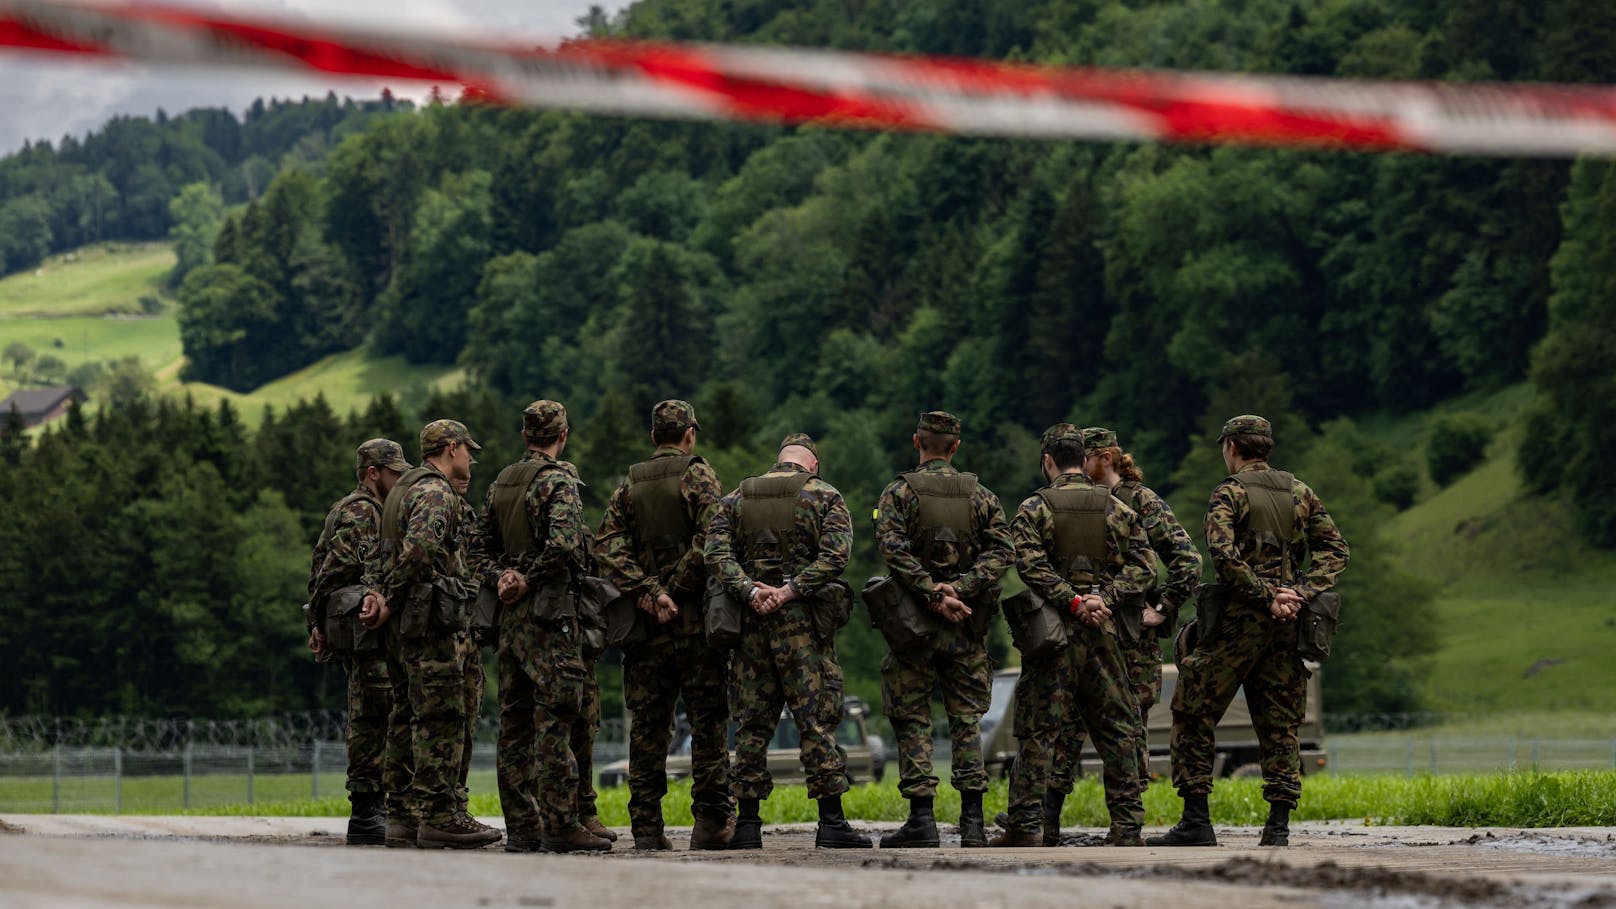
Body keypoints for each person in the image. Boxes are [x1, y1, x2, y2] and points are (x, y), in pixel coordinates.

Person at [1151, 415, 1349, 848]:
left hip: (1237, 620)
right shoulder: (1299, 491)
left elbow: (1220, 554)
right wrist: (1296, 593)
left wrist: (1264, 595)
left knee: (1192, 711)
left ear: (1232, 448)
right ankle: (1277, 827)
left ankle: (1196, 821)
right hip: (1287, 624)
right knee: (1280, 723)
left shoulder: (1231, 492)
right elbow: (1335, 550)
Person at [705, 432, 869, 850]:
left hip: (751, 627)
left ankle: (747, 826)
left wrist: (750, 591)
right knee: (816, 720)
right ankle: (831, 823)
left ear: (779, 461)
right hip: (803, 628)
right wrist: (789, 590)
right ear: (812, 463)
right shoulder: (825, 495)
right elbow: (835, 557)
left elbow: (716, 556)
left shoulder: (736, 498)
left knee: (752, 724)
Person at [1040, 427, 1202, 844]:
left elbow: (1187, 560)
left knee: (1127, 729)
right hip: (1079, 633)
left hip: (1130, 642)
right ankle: (1047, 820)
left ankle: (1128, 824)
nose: (1078, 466)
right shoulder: (1077, 503)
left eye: (1087, 457)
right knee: (1065, 725)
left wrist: (1161, 609)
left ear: (1106, 458)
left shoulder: (1140, 501)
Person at [996, 423, 1154, 848]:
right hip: (1104, 635)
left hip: (1053, 636)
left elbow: (1029, 566)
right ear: (1084, 461)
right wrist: (1103, 598)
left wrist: (1072, 601)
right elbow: (1145, 567)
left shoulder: (1034, 508)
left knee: (1039, 731)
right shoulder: (1118, 509)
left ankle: (1027, 827)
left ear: (1048, 461)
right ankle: (1127, 828)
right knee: (1118, 729)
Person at [593, 400, 733, 851]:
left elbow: (608, 546)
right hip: (694, 624)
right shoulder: (698, 473)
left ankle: (646, 829)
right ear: (689, 434)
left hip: (646, 628)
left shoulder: (629, 483)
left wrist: (649, 593)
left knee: (648, 728)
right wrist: (673, 589)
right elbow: (714, 538)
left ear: (654, 437)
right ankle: (711, 822)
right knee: (708, 723)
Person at [875, 412, 1014, 849]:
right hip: (965, 626)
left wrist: (931, 591)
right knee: (966, 720)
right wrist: (961, 588)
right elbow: (1002, 551)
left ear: (917, 441)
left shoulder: (898, 493)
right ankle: (972, 821)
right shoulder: (983, 497)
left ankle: (922, 821)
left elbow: (891, 549)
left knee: (913, 718)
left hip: (913, 627)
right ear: (955, 447)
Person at [483, 401, 610, 854]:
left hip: (511, 620)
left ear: (524, 435)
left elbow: (479, 548)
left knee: (513, 724)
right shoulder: (559, 482)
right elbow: (563, 544)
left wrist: (503, 577)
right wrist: (530, 577)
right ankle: (559, 822)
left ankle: (521, 826)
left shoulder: (501, 483)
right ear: (563, 434)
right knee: (556, 719)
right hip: (551, 617)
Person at [377, 419, 501, 849]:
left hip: (410, 627)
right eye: (468, 451)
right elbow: (419, 552)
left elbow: (388, 555)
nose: (471, 459)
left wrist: (384, 598)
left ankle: (403, 815)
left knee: (407, 715)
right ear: (452, 448)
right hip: (434, 628)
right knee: (443, 717)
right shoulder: (434, 492)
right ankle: (440, 816)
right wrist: (392, 597)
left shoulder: (402, 491)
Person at [306, 439, 410, 845]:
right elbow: (330, 571)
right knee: (372, 715)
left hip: (370, 629)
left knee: (377, 714)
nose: (399, 479)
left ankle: (375, 809)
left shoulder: (363, 509)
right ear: (373, 473)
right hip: (365, 631)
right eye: (393, 473)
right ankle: (367, 812)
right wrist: (318, 621)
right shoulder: (361, 512)